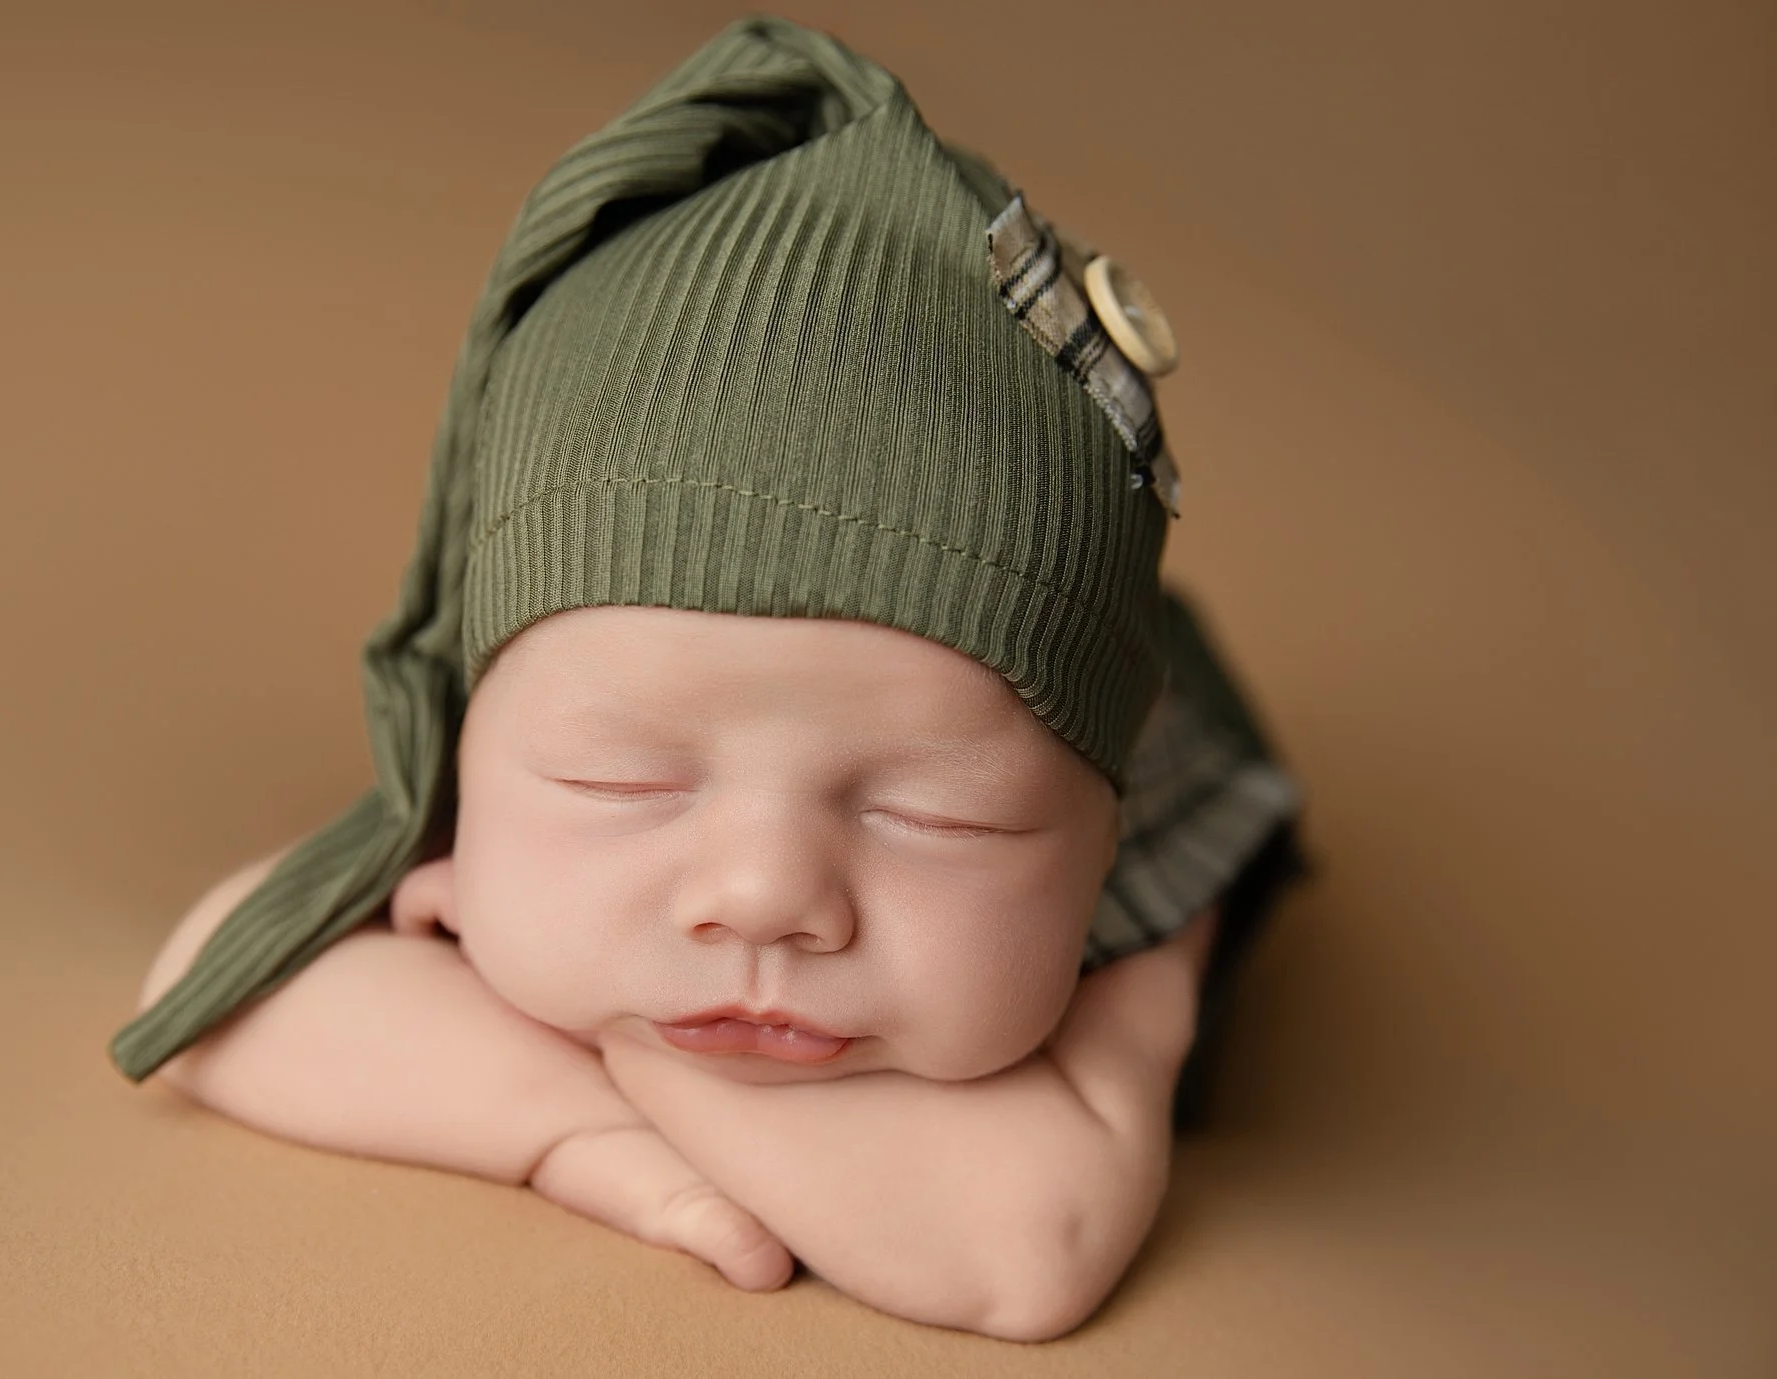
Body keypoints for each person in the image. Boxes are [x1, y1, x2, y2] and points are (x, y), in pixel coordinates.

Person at [110, 17, 1303, 1342]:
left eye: (937, 815)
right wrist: (579, 1140)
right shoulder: (560, 712)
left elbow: (1022, 1242)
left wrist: (594, 1030)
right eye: (622, 782)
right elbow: (212, 986)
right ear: (470, 729)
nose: (763, 895)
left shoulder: (1136, 849)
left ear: (1097, 826)